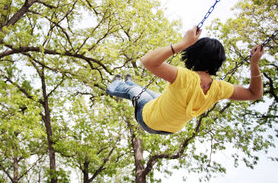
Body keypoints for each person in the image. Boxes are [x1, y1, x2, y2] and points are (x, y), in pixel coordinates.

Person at [106, 26, 264, 134]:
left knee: (135, 92)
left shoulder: (184, 77)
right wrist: (254, 63)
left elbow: (147, 61)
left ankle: (115, 85)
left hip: (149, 120)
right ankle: (130, 80)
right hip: (170, 128)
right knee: (150, 93)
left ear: (193, 54)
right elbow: (254, 93)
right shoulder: (219, 89)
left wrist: (184, 43)